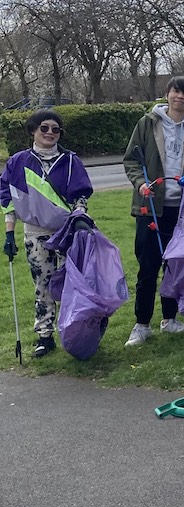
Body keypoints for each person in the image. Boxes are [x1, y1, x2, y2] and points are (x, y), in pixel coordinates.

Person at [123, 76, 184, 347]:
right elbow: (131, 160)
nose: (181, 97)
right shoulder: (147, 123)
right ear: (168, 94)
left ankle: (170, 319)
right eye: (176, 92)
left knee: (175, 266)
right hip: (151, 207)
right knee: (148, 267)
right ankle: (141, 324)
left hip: (183, 209)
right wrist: (141, 184)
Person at [1, 111, 94, 358]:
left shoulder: (71, 160)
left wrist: (80, 218)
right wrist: (9, 233)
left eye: (56, 129)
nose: (50, 133)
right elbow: (8, 198)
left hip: (68, 232)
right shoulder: (18, 162)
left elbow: (81, 195)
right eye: (45, 128)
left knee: (72, 284)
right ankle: (45, 336)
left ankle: (74, 333)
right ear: (33, 130)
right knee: (42, 285)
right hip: (34, 233)